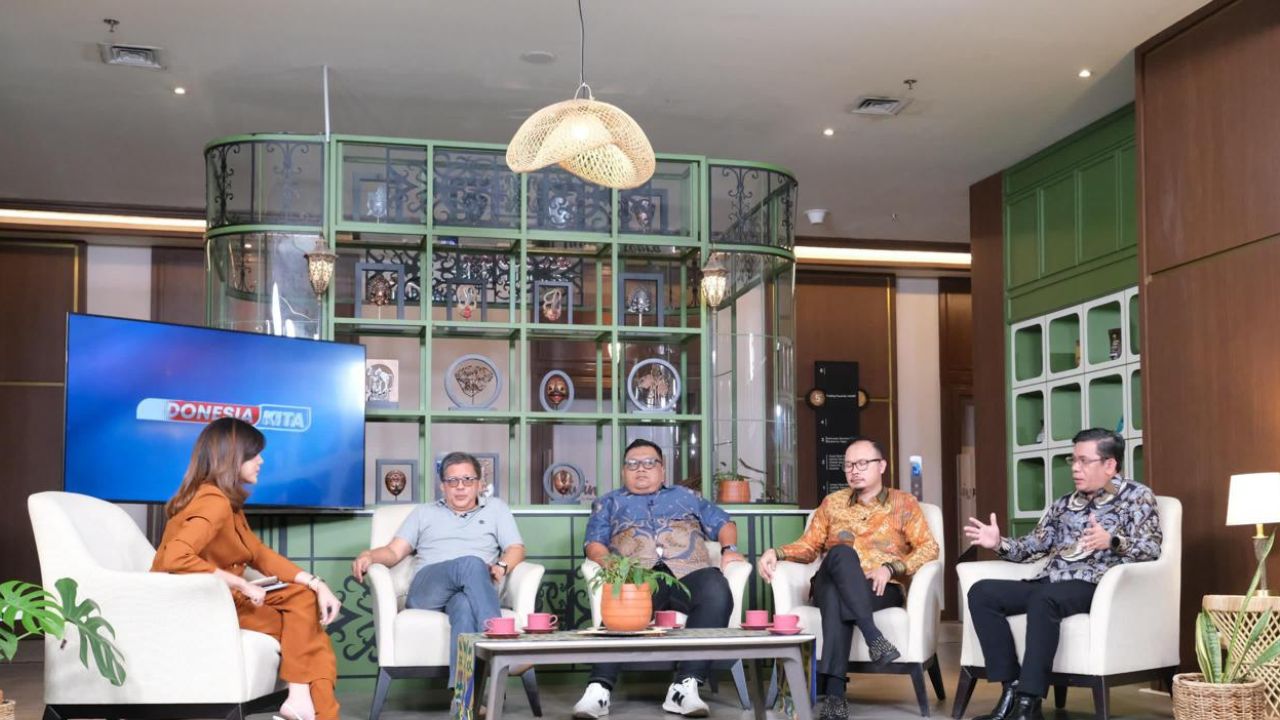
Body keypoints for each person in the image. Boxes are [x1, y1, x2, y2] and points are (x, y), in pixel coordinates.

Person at [963, 428, 1162, 720]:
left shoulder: (1137, 496)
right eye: (1073, 460)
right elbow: (1034, 546)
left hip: (1095, 584)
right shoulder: (1063, 504)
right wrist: (998, 543)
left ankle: (1029, 704)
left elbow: (1152, 548)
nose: (1075, 468)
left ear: (1110, 464)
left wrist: (1112, 541)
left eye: (1084, 461)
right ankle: (1011, 689)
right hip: (1051, 583)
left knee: (1044, 598)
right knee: (982, 593)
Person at [152, 417, 343, 720]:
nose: (261, 461)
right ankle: (311, 708)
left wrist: (317, 584)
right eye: (253, 454)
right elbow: (176, 557)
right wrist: (241, 583)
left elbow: (259, 554)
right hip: (204, 603)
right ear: (231, 457)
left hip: (222, 599)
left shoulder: (226, 503)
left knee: (305, 606)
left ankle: (301, 702)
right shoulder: (213, 502)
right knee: (311, 631)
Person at [758, 437, 939, 720]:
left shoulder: (904, 503)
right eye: (849, 465)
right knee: (841, 553)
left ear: (882, 466)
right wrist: (776, 552)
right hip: (829, 579)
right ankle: (873, 636)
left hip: (879, 588)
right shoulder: (832, 503)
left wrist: (891, 568)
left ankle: (835, 696)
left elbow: (929, 548)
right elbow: (808, 546)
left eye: (862, 463)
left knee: (836, 598)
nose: (854, 470)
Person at [573, 439, 744, 719]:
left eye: (649, 463)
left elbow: (724, 523)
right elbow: (594, 543)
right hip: (640, 575)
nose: (640, 469)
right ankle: (598, 690)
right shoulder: (608, 503)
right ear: (623, 471)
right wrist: (612, 566)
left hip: (690, 573)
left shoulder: (688, 496)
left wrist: (729, 549)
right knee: (625, 602)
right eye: (632, 464)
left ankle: (684, 688)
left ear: (662, 470)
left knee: (716, 588)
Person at [352, 450, 525, 683]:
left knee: (464, 607)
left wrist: (501, 567)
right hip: (428, 589)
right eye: (452, 481)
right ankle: (501, 645)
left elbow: (515, 548)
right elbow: (394, 552)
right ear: (443, 486)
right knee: (472, 563)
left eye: (467, 480)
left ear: (479, 484)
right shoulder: (424, 513)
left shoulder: (496, 509)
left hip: (473, 591)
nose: (460, 487)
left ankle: (465, 695)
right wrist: (369, 555)